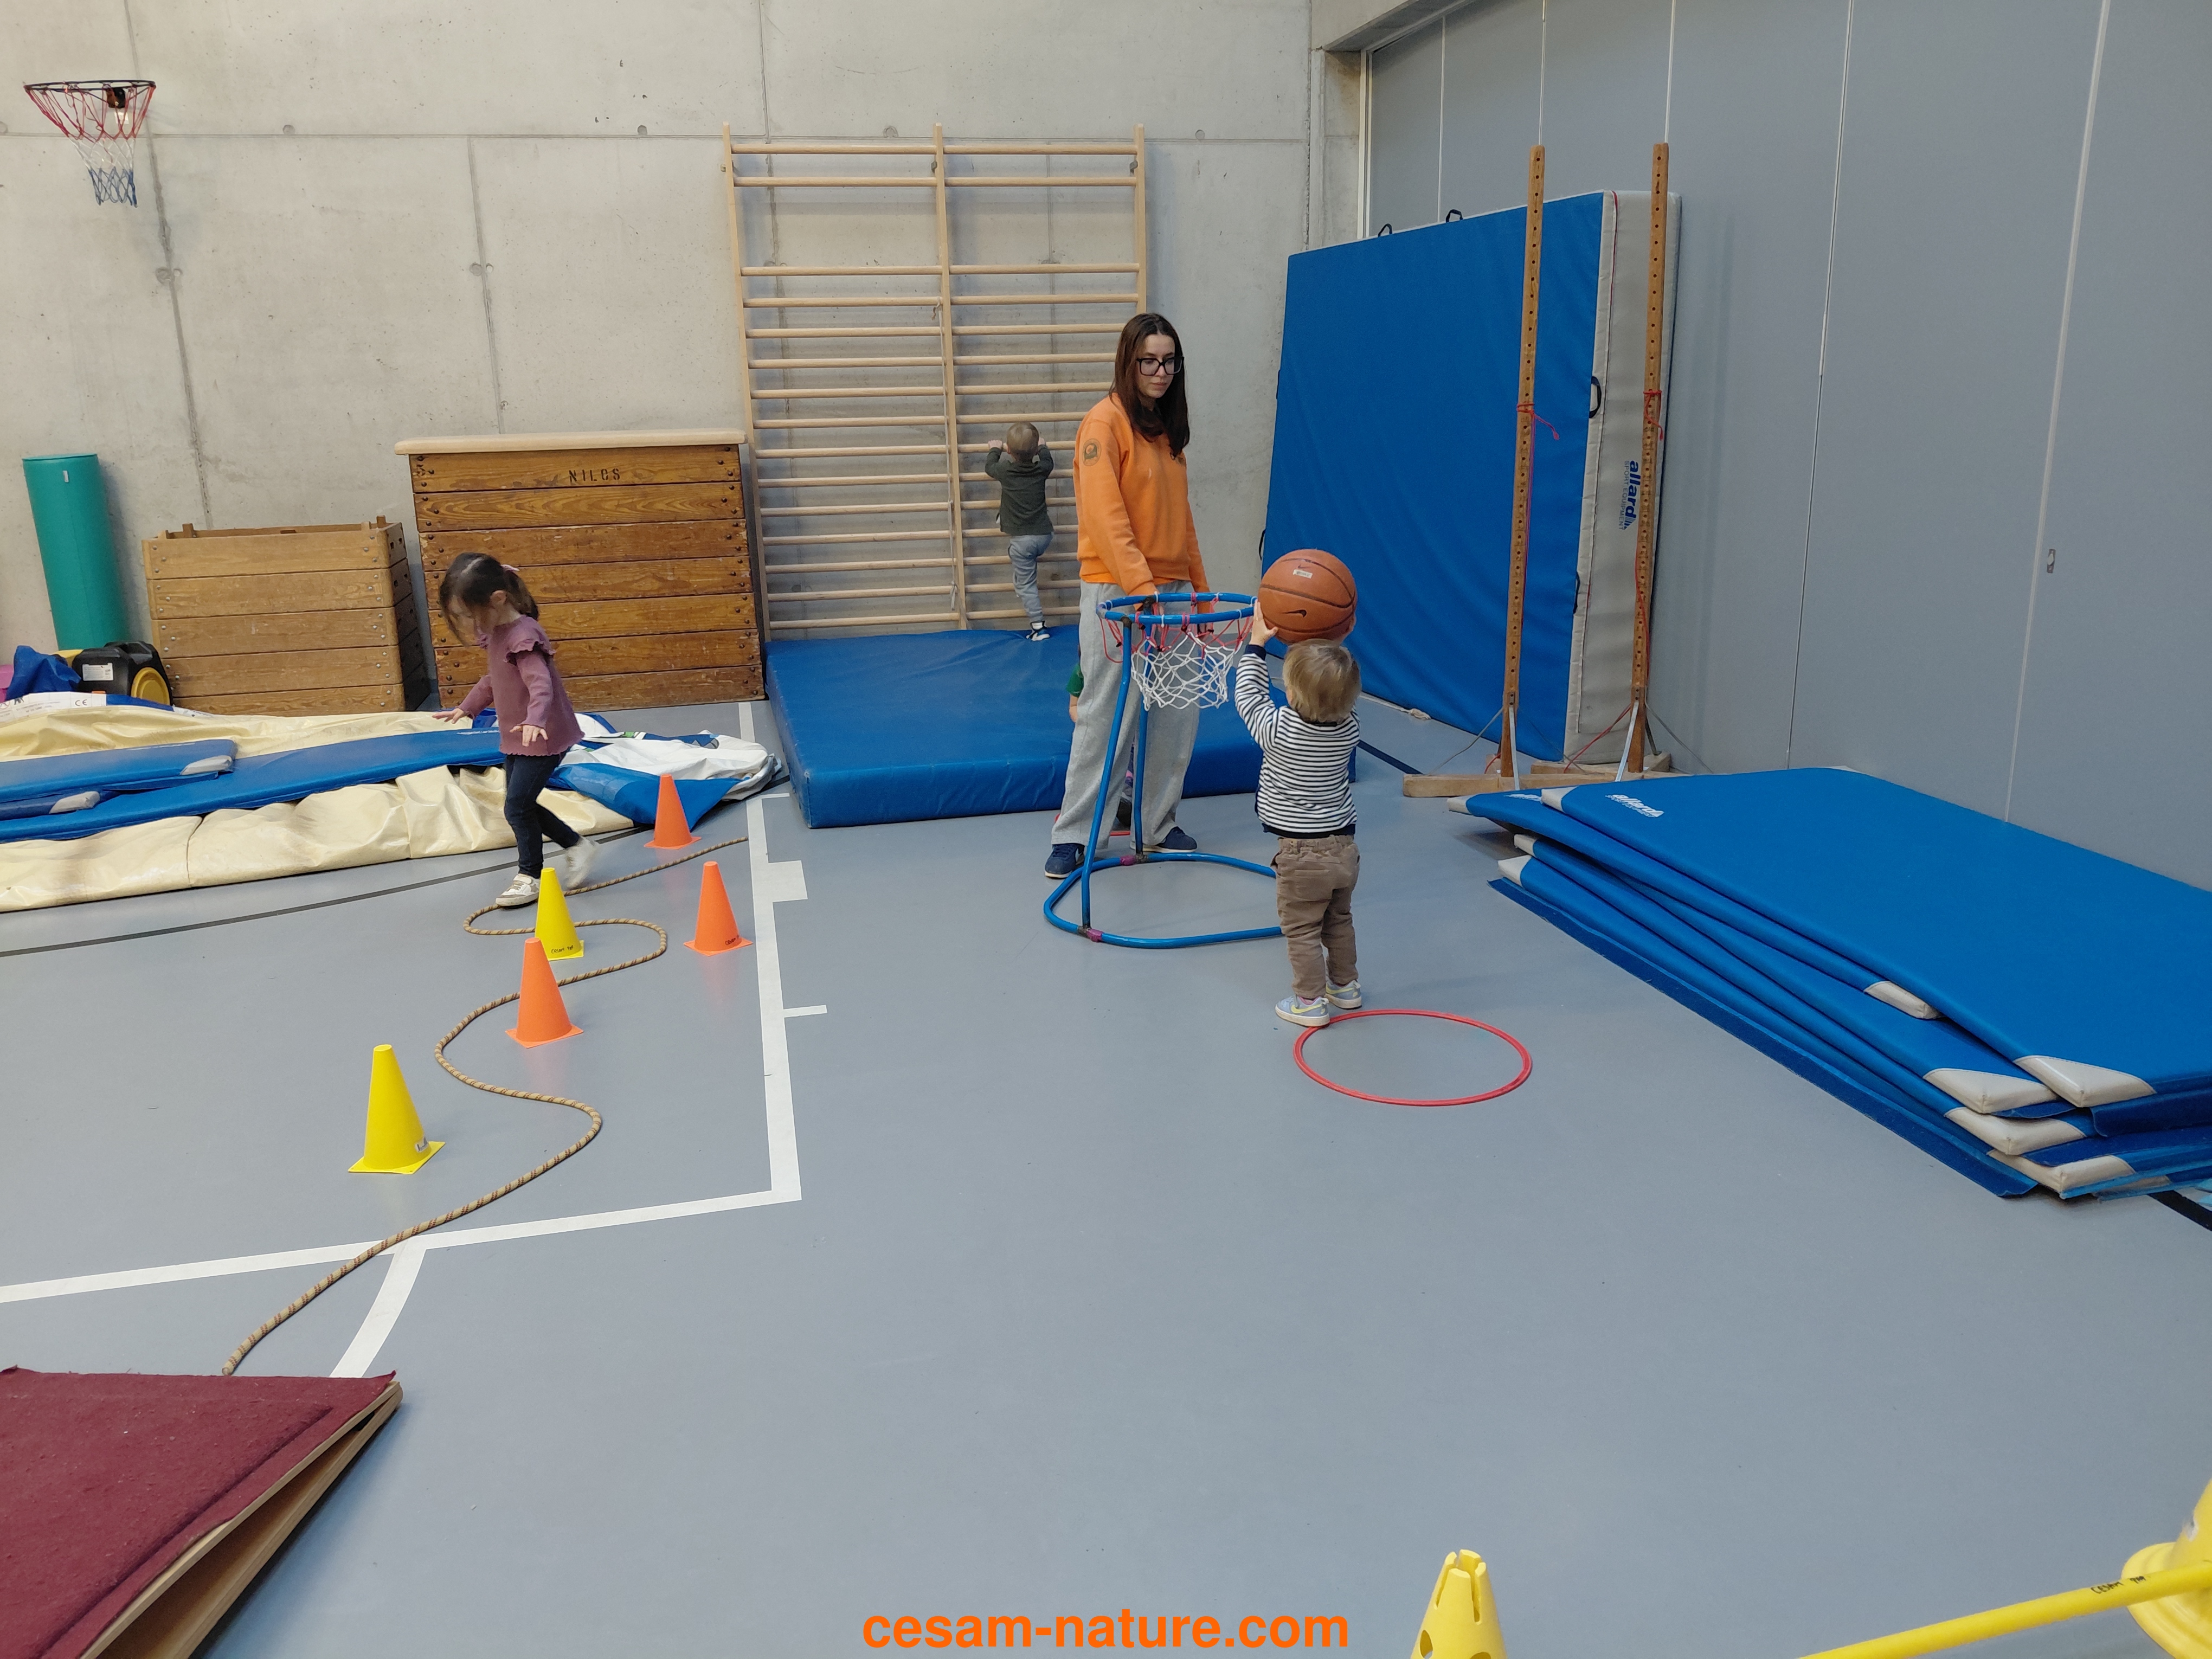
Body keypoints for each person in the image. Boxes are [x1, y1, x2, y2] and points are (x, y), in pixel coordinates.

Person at [1045, 312, 1210, 877]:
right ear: (1129, 362)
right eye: (1149, 361)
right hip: (1119, 589)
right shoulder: (1104, 423)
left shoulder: (1166, 433)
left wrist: (1200, 592)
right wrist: (1143, 591)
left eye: (1169, 361)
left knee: (1176, 714)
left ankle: (1155, 825)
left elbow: (1182, 522)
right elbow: (1107, 519)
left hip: (1172, 590)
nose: (1160, 372)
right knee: (1107, 714)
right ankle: (1076, 834)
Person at [432, 552, 595, 908]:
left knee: (517, 807)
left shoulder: (523, 635)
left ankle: (529, 876)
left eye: (470, 615)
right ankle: (577, 845)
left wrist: (535, 720)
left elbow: (541, 685)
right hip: (517, 736)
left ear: (497, 599)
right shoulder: (497, 632)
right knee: (520, 804)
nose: (469, 624)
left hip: (543, 736)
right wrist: (466, 707)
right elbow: (495, 679)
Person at [1235, 614, 1361, 1026]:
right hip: (1344, 849)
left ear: (1290, 694)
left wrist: (1256, 646)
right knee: (1338, 921)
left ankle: (1309, 1001)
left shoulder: (1278, 730)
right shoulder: (1350, 728)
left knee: (1303, 930)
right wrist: (1336, 636)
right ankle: (1345, 986)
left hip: (1300, 854)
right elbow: (1333, 688)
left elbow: (1248, 696)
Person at [984, 421, 1055, 640]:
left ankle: (1039, 628)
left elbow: (990, 467)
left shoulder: (1005, 471)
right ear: (1034, 452)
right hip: (1044, 535)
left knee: (1026, 585)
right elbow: (1049, 462)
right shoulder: (1041, 470)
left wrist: (994, 449)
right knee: (1024, 578)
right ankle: (1023, 588)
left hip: (1023, 541)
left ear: (1008, 450)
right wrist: (1043, 448)